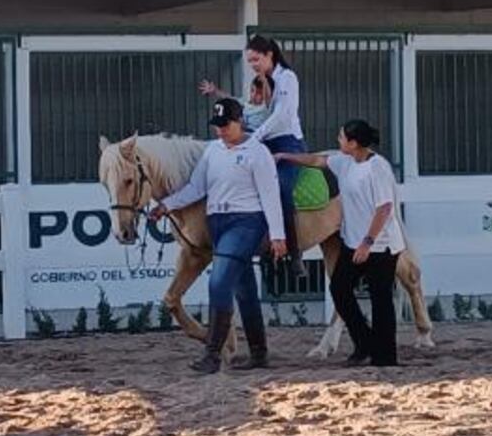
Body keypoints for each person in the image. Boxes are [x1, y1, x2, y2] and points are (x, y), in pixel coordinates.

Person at [149, 97, 287, 374]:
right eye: (217, 126)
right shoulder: (212, 151)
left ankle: (212, 353)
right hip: (219, 221)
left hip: (246, 222)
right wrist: (167, 205)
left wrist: (278, 235)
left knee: (219, 283)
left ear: (240, 122)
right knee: (245, 289)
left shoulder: (257, 152)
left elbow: (270, 196)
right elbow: (197, 188)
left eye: (226, 125)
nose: (220, 130)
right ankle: (259, 353)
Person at [276, 119, 404, 367]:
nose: (338, 140)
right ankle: (365, 341)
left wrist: (368, 242)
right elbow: (316, 161)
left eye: (342, 137)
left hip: (380, 246)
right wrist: (285, 156)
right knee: (339, 289)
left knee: (380, 300)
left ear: (354, 143)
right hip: (353, 242)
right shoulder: (344, 162)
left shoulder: (377, 168)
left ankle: (385, 357)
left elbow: (384, 208)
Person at [243, 35, 308, 278]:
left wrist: (255, 137)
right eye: (250, 61)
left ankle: (294, 252)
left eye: (256, 59)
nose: (253, 65)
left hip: (288, 144)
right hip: (262, 142)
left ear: (269, 54)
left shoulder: (287, 78)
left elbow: (282, 115)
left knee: (280, 187)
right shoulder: (262, 81)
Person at [198, 74, 274, 134]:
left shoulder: (265, 107)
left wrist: (264, 80)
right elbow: (229, 98)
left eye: (259, 93)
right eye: (252, 90)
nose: (254, 95)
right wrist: (215, 91)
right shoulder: (245, 103)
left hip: (253, 135)